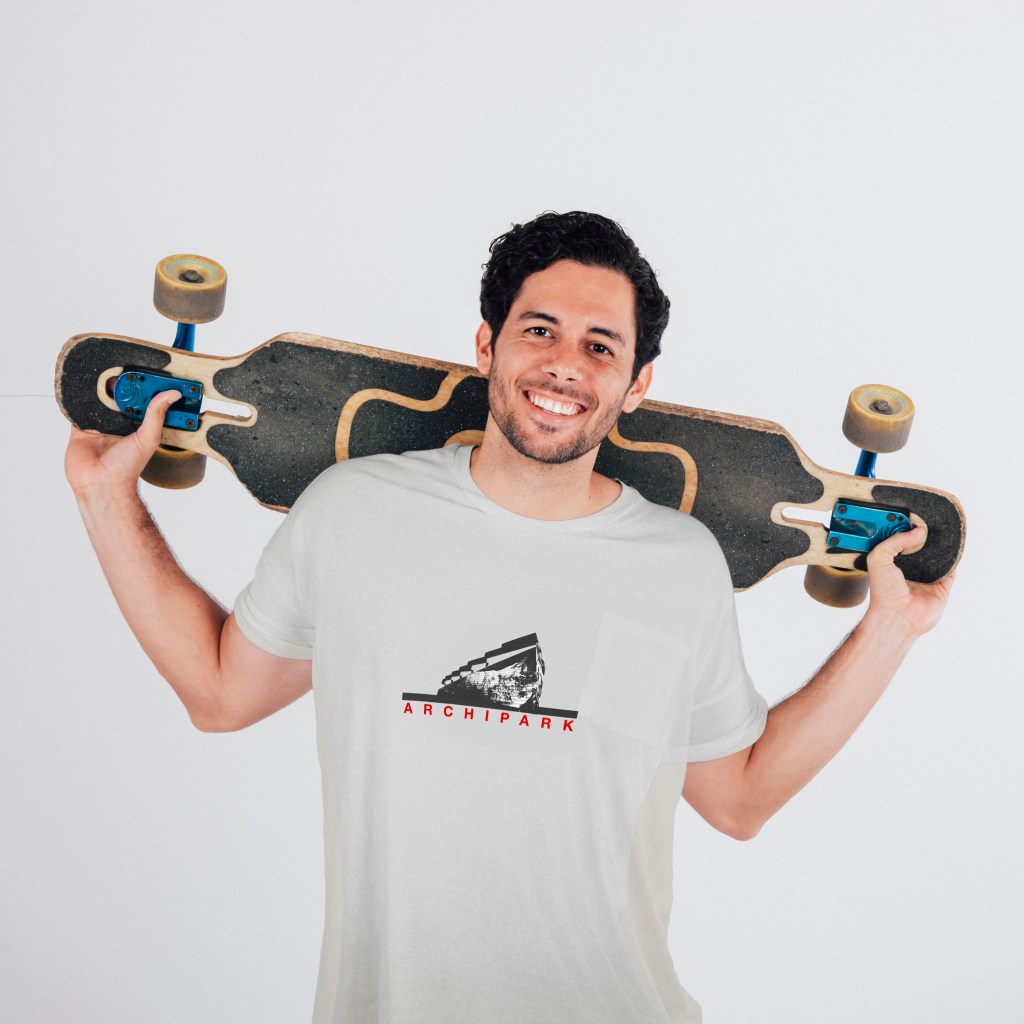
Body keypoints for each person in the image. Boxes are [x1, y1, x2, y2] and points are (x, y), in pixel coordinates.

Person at [65, 211, 954, 1024]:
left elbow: (740, 798)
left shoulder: (679, 567)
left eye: (601, 346)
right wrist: (106, 499)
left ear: (637, 384)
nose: (566, 364)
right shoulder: (353, 514)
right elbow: (221, 692)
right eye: (540, 330)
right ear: (487, 344)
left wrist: (892, 630)